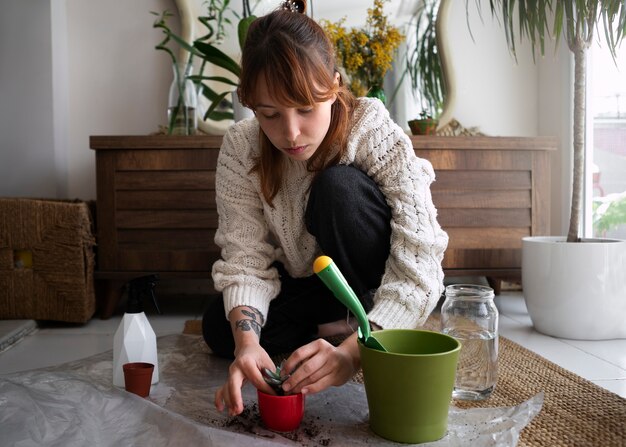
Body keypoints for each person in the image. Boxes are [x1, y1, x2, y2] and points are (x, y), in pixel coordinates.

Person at [202, 3, 448, 417]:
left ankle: (362, 328)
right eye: (270, 114)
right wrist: (248, 344)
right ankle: (332, 331)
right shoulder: (241, 146)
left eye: (305, 108)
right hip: (309, 286)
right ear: (250, 104)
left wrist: (354, 357)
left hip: (368, 281)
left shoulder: (370, 128)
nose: (291, 132)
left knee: (339, 189)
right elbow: (246, 258)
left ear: (334, 86)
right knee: (219, 327)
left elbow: (421, 262)